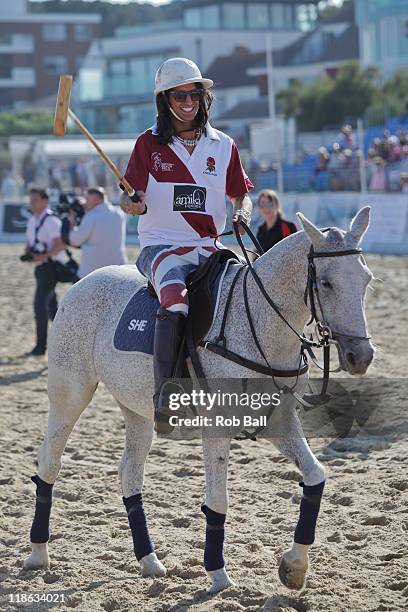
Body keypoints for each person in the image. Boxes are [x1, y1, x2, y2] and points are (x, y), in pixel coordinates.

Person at [119, 57, 253, 425]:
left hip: (210, 246)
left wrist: (242, 213)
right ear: (165, 100)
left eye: (195, 93)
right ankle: (167, 392)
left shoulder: (223, 145)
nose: (189, 101)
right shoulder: (148, 144)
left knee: (250, 291)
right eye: (179, 95)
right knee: (176, 303)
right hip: (161, 247)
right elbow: (129, 200)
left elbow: (241, 194)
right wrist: (132, 203)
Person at [24, 187, 66, 356]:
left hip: (50, 267)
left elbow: (60, 244)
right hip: (41, 268)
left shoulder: (51, 220)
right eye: (31, 200)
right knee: (52, 307)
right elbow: (30, 242)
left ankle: (41, 347)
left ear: (45, 201)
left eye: (35, 200)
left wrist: (44, 255)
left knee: (39, 306)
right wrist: (29, 253)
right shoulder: (32, 220)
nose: (32, 203)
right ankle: (63, 343)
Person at [67, 186, 128, 279]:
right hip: (118, 268)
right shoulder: (119, 213)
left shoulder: (91, 216)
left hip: (93, 271)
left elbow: (74, 241)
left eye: (87, 199)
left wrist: (72, 223)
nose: (85, 203)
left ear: (96, 199)